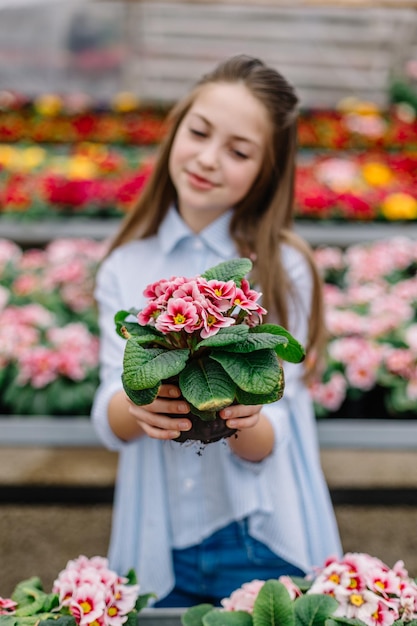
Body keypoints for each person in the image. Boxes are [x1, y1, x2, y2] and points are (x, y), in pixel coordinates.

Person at [91, 54, 342, 607]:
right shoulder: (126, 267)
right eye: (199, 132)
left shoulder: (281, 265)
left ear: (266, 171)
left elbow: (274, 428)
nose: (208, 159)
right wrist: (138, 405)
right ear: (176, 128)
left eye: (239, 151)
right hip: (160, 543)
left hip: (261, 535)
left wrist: (240, 411)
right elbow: (113, 399)